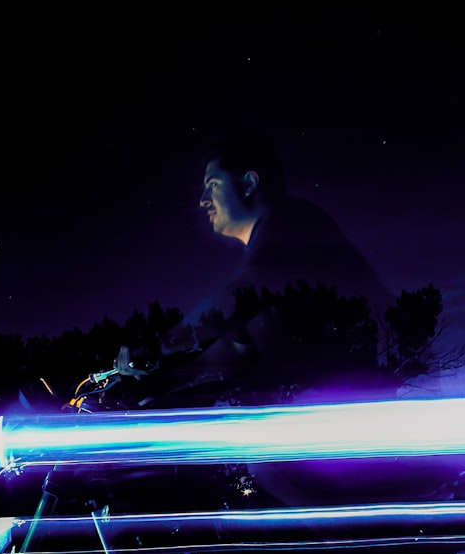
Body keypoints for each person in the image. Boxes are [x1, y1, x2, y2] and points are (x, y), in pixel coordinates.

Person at [116, 135, 394, 407]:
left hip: (360, 394)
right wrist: (164, 384)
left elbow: (243, 295)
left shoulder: (291, 222)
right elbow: (235, 346)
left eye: (212, 185)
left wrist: (160, 346)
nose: (203, 200)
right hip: (346, 398)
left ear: (249, 183)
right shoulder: (273, 248)